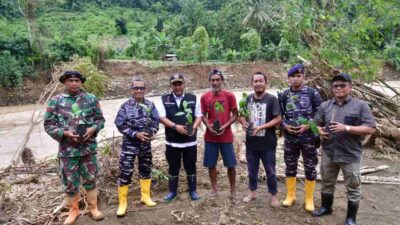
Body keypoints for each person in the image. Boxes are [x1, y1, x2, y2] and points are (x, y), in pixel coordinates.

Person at [312, 73, 376, 225]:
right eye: (335, 86)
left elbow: (370, 129)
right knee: (327, 182)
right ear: (332, 88)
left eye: (342, 85)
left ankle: (350, 218)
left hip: (350, 154)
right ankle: (326, 208)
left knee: (353, 187)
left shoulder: (361, 106)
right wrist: (319, 131)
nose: (339, 88)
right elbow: (314, 125)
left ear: (350, 87)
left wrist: (346, 128)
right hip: (329, 152)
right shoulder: (325, 106)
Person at [44, 70, 105, 225]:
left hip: (88, 149)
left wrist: (93, 129)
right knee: (70, 182)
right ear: (65, 82)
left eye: (77, 80)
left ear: (81, 82)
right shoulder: (55, 101)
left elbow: (100, 120)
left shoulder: (91, 99)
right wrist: (65, 133)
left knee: (90, 179)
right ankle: (73, 211)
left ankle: (93, 208)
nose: (74, 83)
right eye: (70, 80)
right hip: (67, 151)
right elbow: (48, 125)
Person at [278, 64, 322, 211]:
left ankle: (309, 199)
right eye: (293, 76)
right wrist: (284, 126)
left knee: (310, 167)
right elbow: (280, 116)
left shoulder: (312, 93)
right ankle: (291, 196)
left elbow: (320, 114)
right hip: (291, 138)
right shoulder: (284, 95)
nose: (296, 79)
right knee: (290, 166)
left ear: (303, 77)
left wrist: (309, 125)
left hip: (308, 138)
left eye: (298, 76)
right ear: (288, 78)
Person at [114, 77, 160, 217]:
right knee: (125, 172)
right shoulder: (126, 106)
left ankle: (145, 197)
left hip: (145, 144)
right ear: (132, 89)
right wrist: (135, 134)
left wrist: (152, 132)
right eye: (136, 88)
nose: (139, 90)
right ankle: (122, 202)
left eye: (141, 88)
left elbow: (156, 121)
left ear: (145, 89)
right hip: (129, 145)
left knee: (145, 169)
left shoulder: (150, 105)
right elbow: (119, 124)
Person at [239, 72, 282, 207]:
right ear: (252, 84)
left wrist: (261, 127)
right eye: (255, 81)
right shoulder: (247, 99)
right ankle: (252, 192)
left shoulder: (272, 99)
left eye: (260, 81)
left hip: (268, 143)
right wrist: (243, 122)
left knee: (270, 171)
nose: (258, 84)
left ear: (265, 83)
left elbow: (278, 119)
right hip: (251, 143)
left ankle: (274, 195)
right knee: (252, 170)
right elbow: (240, 115)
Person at [157, 73, 203, 201]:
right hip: (172, 141)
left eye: (180, 83)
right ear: (170, 85)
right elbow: (161, 117)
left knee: (191, 166)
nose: (177, 87)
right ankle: (172, 192)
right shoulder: (164, 99)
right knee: (173, 166)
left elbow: (199, 115)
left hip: (189, 141)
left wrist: (193, 127)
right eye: (174, 84)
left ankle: (193, 191)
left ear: (184, 84)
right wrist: (175, 126)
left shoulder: (193, 98)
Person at [200, 69, 238, 198]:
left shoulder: (229, 96)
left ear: (222, 81)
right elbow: (203, 115)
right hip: (210, 137)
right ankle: (214, 189)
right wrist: (208, 126)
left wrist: (225, 125)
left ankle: (233, 190)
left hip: (226, 137)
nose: (215, 82)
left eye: (218, 80)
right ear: (209, 81)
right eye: (213, 80)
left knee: (231, 165)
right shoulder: (204, 97)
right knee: (211, 164)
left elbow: (235, 115)